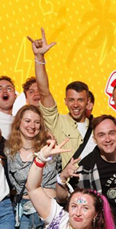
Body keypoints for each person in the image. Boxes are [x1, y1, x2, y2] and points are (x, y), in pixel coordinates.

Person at [5, 105, 64, 229]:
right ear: (19, 123)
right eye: (28, 121)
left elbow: (57, 181)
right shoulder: (9, 150)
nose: (32, 125)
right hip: (27, 215)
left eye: (37, 122)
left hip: (51, 212)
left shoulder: (49, 148)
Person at [28, 28, 97, 166]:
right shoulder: (57, 122)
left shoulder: (98, 126)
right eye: (71, 100)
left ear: (88, 102)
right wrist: (39, 58)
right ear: (65, 101)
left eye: (80, 100)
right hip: (68, 185)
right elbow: (43, 91)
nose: (75, 105)